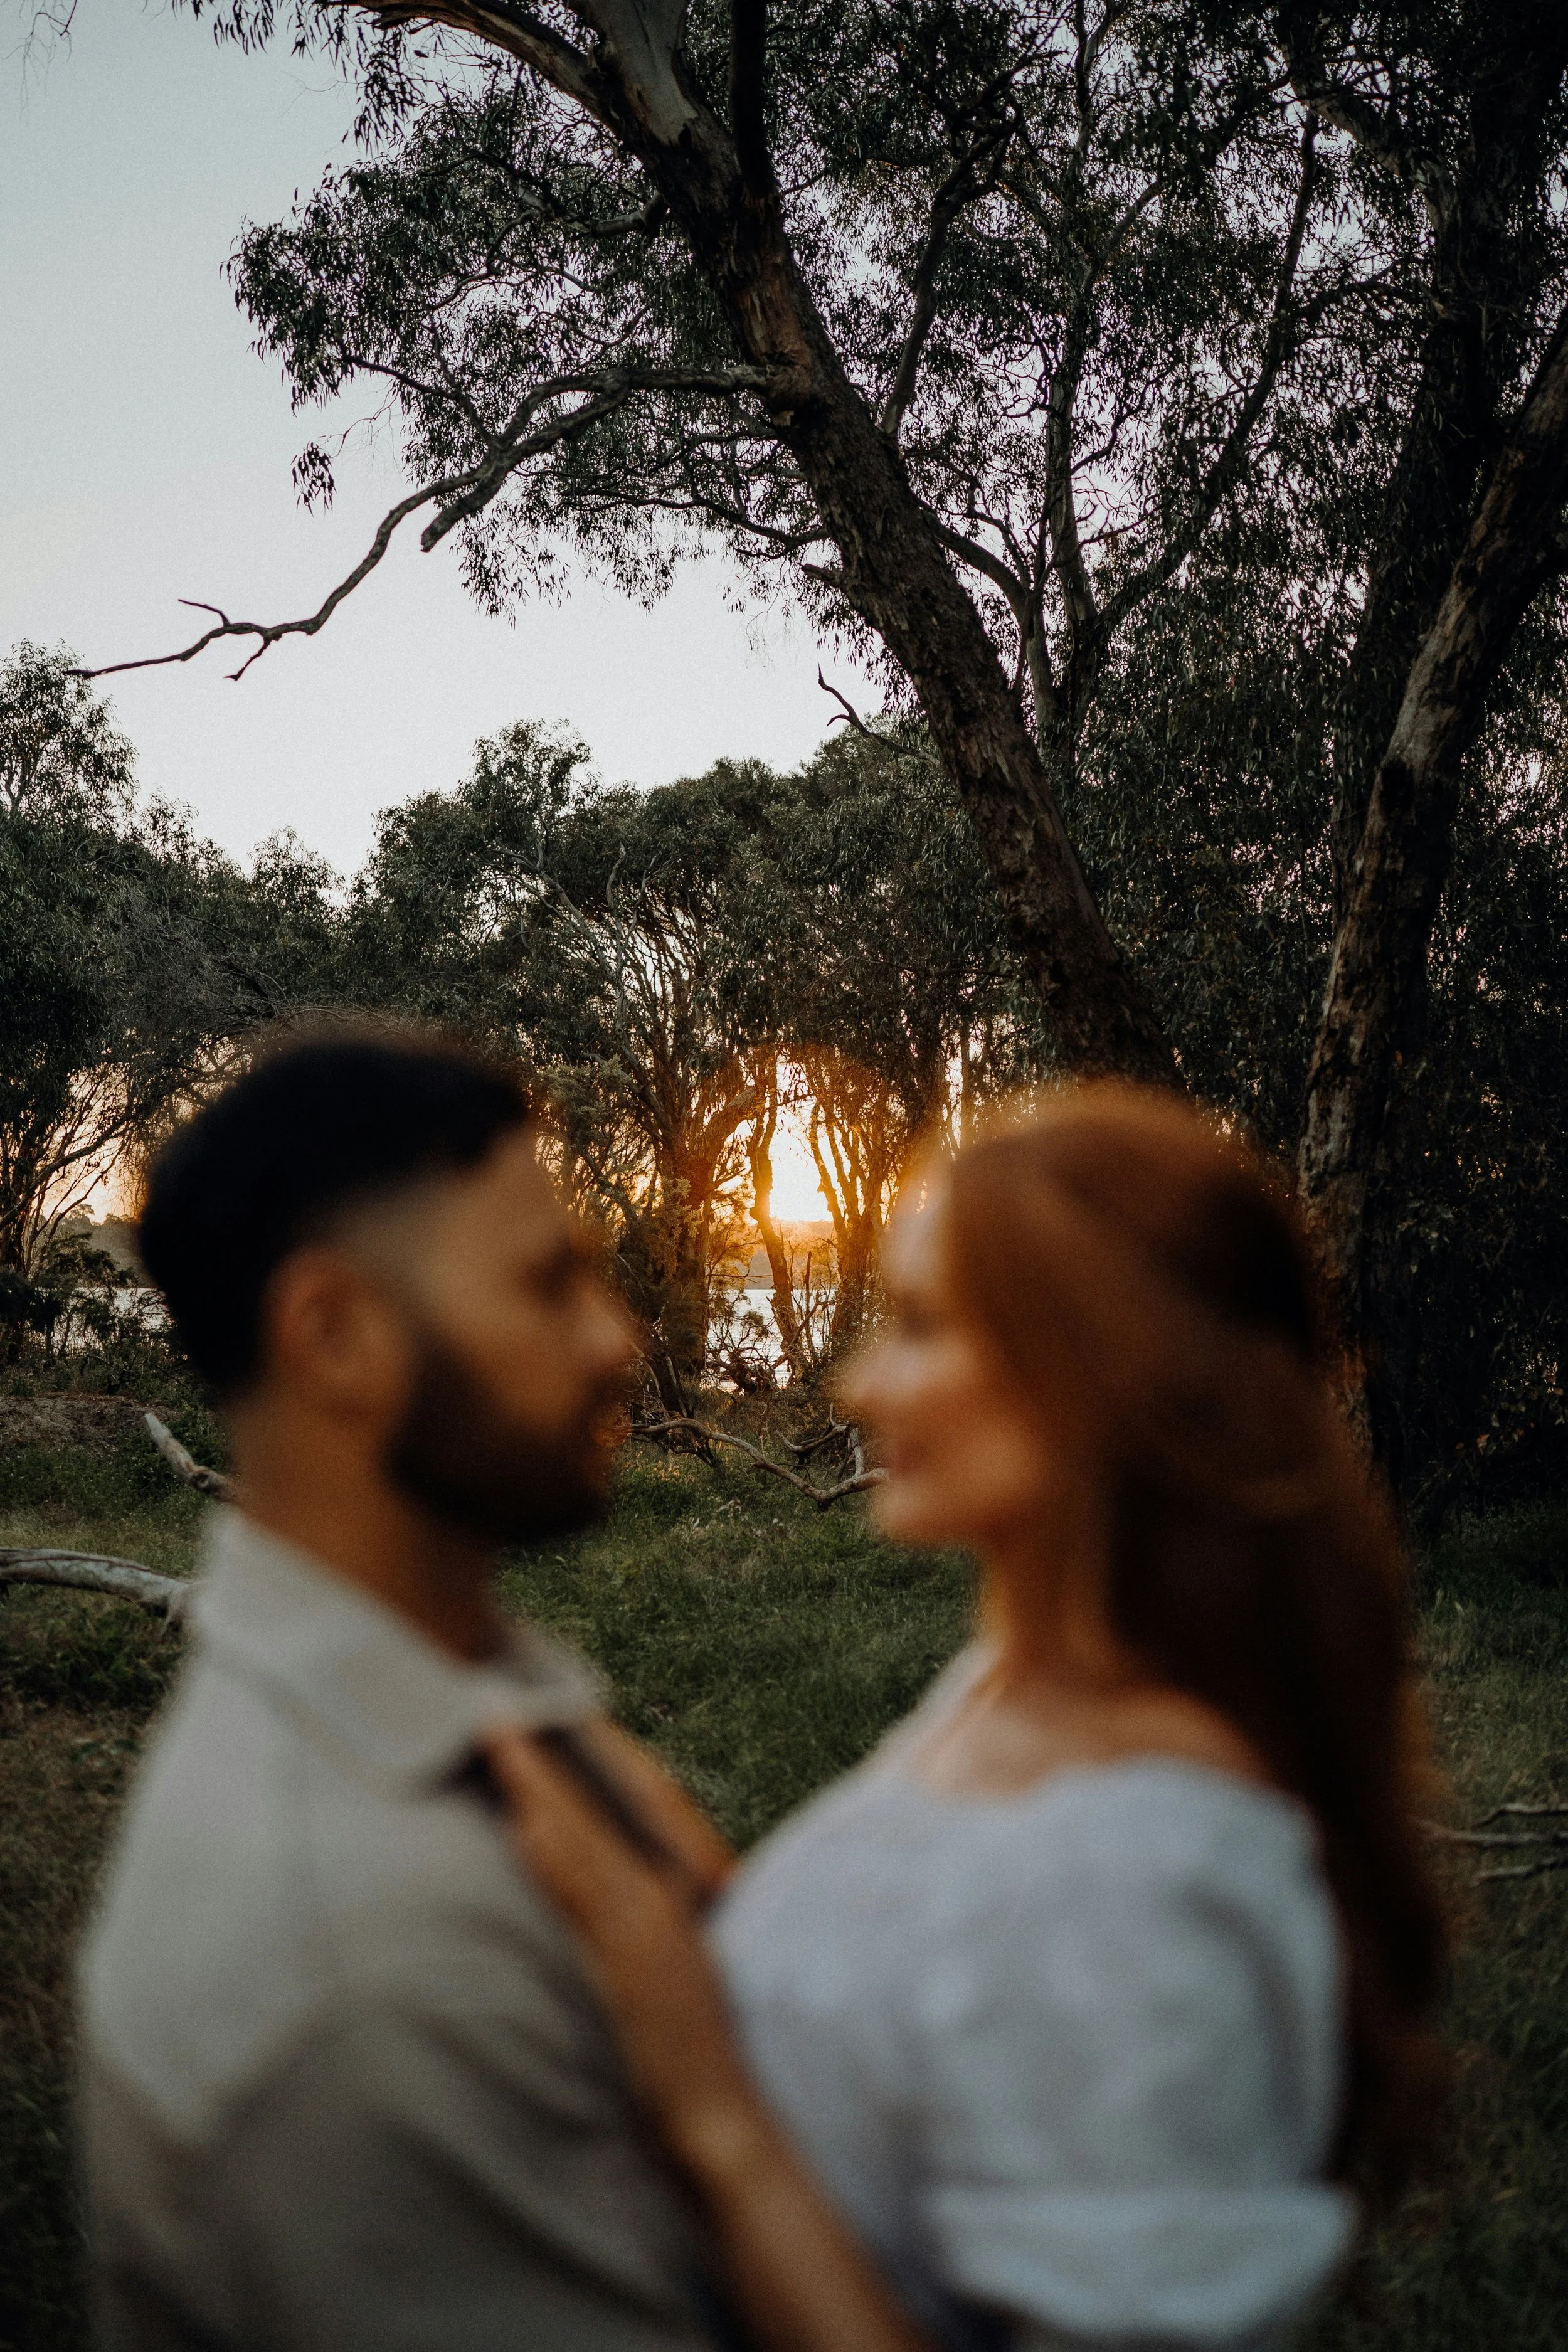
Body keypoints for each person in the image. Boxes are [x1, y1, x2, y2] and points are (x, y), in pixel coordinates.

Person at [489, 1084, 1449, 2352]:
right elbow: (928, 1974)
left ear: (1106, 1367)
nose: (858, 1383)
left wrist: (713, 2123)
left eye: (925, 1325)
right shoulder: (1018, 1684)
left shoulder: (1141, 1892)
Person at [78, 1026, 738, 2352]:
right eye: (548, 1285)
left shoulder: (450, 1683)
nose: (614, 1341)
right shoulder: (371, 1978)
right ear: (334, 1336)